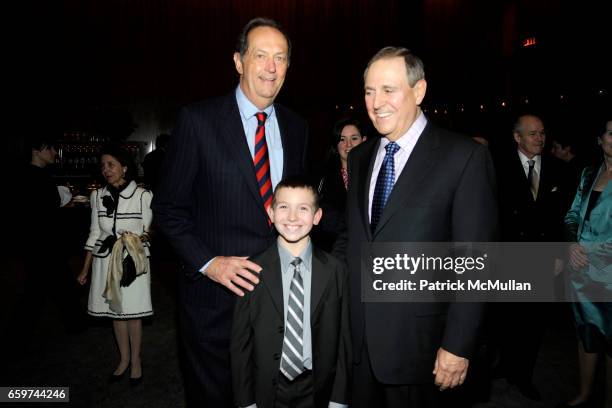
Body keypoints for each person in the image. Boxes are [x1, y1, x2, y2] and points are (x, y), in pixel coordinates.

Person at [152, 17, 309, 407]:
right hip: (213, 305)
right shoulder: (198, 121)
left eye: (281, 58)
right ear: (239, 61)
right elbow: (168, 209)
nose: (271, 68)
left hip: (281, 303)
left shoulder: (297, 127)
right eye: (261, 56)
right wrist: (211, 263)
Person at [336, 47, 497, 407]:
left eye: (388, 90)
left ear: (419, 91)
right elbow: (354, 238)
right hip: (359, 344)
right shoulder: (361, 157)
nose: (376, 103)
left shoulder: (464, 157)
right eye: (368, 91)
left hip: (424, 349)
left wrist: (458, 345)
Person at [231, 177, 350, 408]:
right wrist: (245, 401)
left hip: (318, 388)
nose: (293, 217)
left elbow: (344, 340)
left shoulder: (336, 270)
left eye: (303, 208)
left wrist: (339, 398)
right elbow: (240, 344)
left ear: (317, 217)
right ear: (271, 212)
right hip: (266, 389)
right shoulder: (250, 271)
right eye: (284, 207)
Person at [495, 114, 571, 400]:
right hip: (507, 255)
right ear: (517, 137)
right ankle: (506, 365)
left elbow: (563, 216)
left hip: (543, 257)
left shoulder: (558, 170)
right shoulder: (498, 166)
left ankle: (524, 375)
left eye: (542, 133)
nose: (540, 138)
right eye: (532, 134)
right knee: (506, 317)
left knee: (533, 321)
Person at [77, 144, 153, 386]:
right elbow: (94, 234)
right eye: (103, 166)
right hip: (105, 260)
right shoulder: (97, 196)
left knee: (133, 314)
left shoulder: (143, 196)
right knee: (115, 314)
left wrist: (138, 239)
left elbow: (149, 233)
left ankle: (137, 361)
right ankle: (123, 359)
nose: (106, 170)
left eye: (111, 164)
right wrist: (85, 269)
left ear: (124, 167)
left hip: (132, 261)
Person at [7, 136, 86, 357]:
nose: (55, 153)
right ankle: (16, 340)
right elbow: (43, 216)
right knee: (37, 293)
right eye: (51, 148)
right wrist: (66, 207)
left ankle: (75, 322)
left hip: (39, 245)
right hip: (43, 245)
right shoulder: (36, 178)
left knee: (56, 285)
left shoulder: (28, 176)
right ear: (38, 150)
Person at [561, 119, 611, 408]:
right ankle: (584, 393)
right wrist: (572, 244)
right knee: (587, 334)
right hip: (582, 272)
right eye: (611, 132)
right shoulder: (589, 173)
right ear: (599, 139)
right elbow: (572, 215)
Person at [316, 117, 367, 250]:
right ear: (336, 145)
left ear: (364, 140)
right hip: (334, 252)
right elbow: (325, 221)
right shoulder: (323, 178)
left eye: (354, 138)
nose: (348, 144)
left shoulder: (375, 175)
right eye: (342, 139)